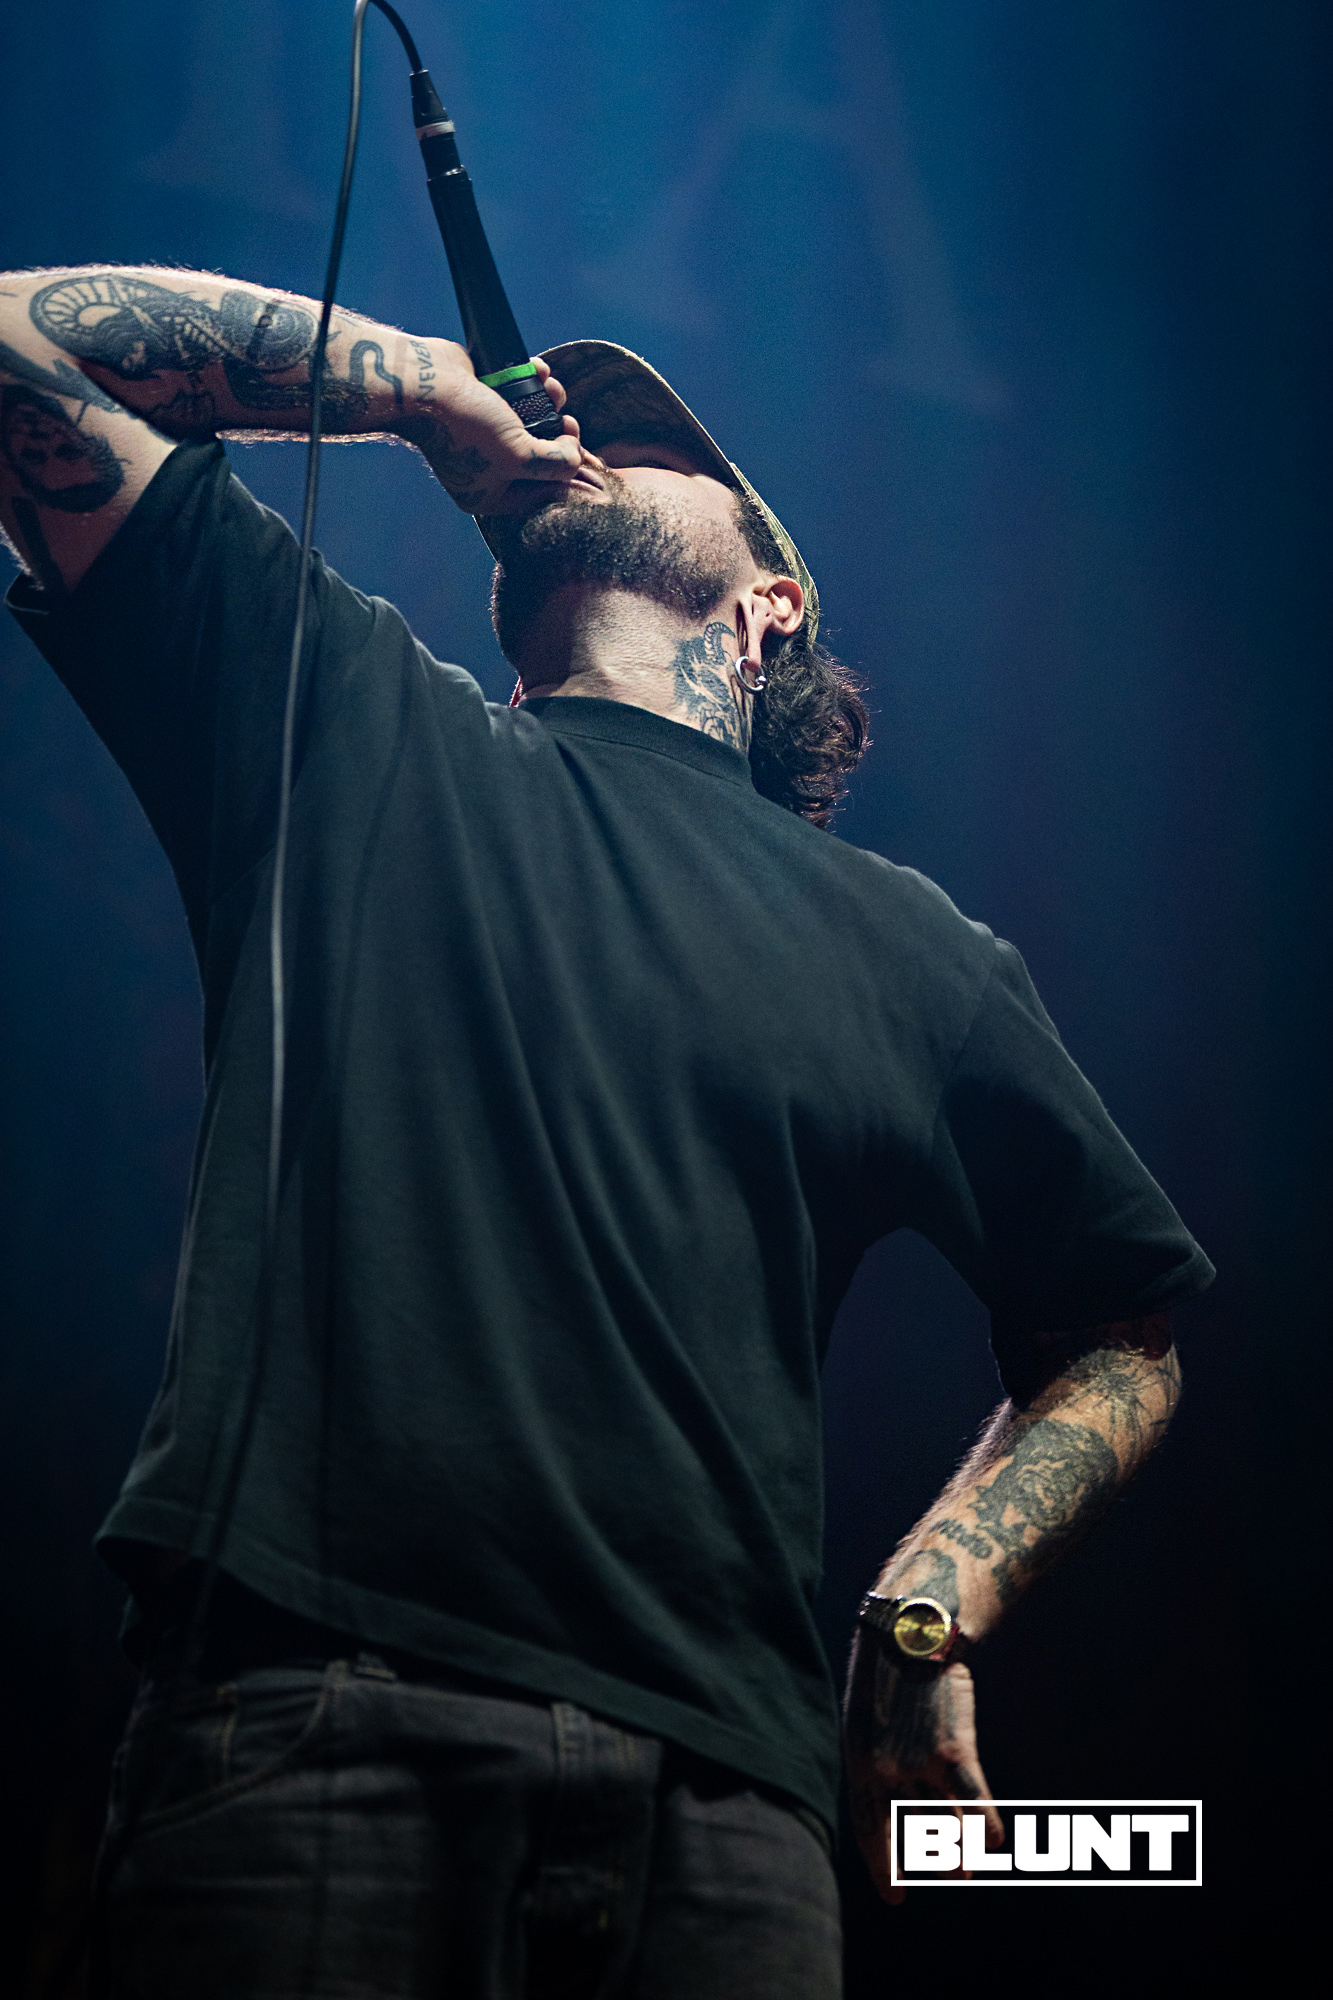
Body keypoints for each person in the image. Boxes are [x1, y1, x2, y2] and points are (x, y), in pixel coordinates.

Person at [1, 266, 1213, 1998]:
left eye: (655, 449)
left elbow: (1120, 1332)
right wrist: (416, 390)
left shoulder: (915, 954)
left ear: (767, 606)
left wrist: (926, 1611)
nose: (590, 441)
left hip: (725, 1807)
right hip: (319, 1716)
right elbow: (19, 338)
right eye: (584, 430)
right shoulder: (349, 718)